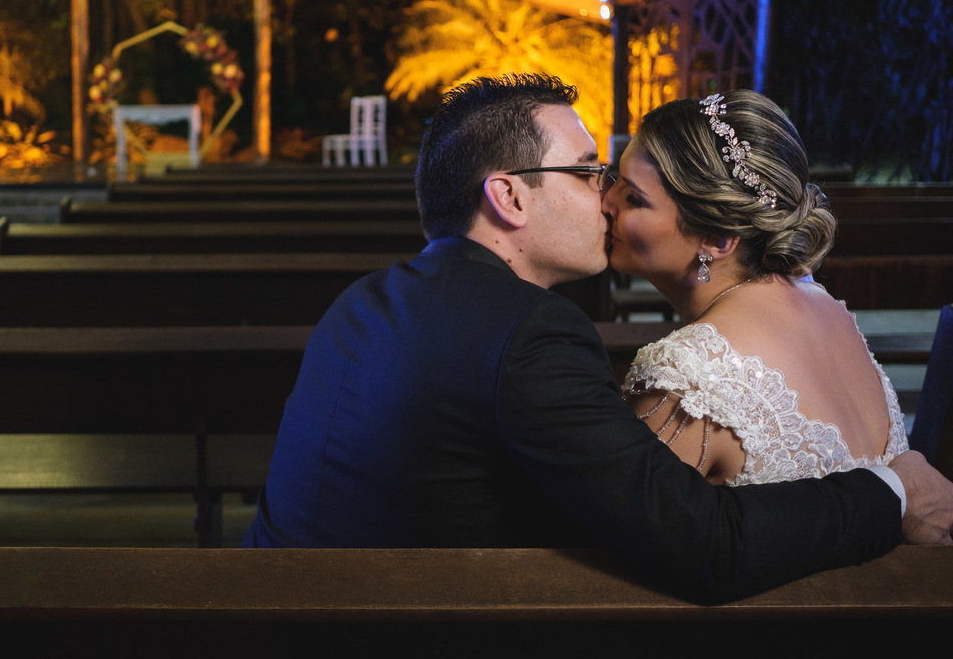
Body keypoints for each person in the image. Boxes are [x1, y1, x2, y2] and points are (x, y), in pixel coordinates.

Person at [242, 74, 953, 603]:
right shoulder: (529, 333)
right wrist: (892, 492)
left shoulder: (362, 302)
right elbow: (697, 542)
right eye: (587, 172)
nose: (604, 196)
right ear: (508, 196)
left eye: (618, 184)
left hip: (274, 606)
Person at [603, 91, 908, 484]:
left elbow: (626, 517)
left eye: (633, 198)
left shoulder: (687, 379)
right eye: (614, 179)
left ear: (716, 238)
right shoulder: (828, 307)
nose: (606, 202)